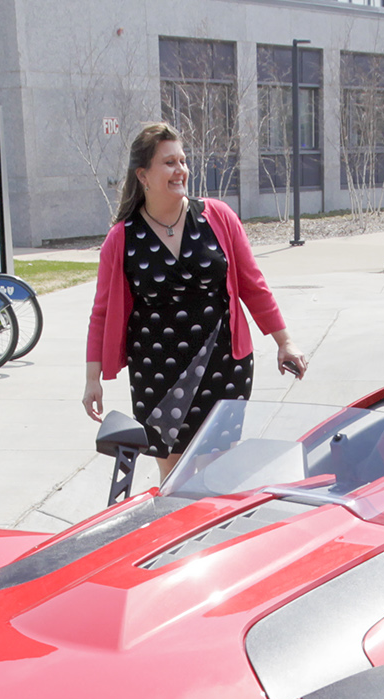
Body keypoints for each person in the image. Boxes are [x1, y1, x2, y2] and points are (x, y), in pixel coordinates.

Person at [82, 122, 309, 478]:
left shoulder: (217, 217)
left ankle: (213, 534)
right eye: (169, 162)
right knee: (173, 473)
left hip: (223, 362)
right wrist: (92, 378)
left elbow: (253, 285)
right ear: (143, 174)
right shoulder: (122, 238)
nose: (181, 170)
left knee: (218, 468)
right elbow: (102, 312)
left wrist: (285, 342)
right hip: (157, 371)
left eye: (183, 161)